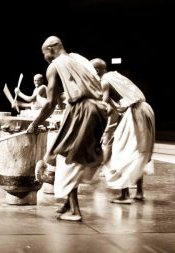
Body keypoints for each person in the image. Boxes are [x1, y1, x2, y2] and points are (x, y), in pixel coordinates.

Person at [28, 36, 107, 221]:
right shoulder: (79, 59)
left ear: (51, 48)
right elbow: (93, 84)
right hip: (99, 110)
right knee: (75, 156)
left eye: (44, 53)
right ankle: (68, 204)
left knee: (66, 158)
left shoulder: (55, 65)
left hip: (83, 111)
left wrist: (35, 123)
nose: (45, 58)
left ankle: (75, 211)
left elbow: (50, 103)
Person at [91, 58, 155, 203]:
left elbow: (105, 101)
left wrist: (113, 108)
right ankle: (139, 192)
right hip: (144, 109)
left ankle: (124, 194)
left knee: (121, 152)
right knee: (137, 151)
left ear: (96, 70)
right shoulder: (115, 75)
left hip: (134, 112)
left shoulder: (105, 80)